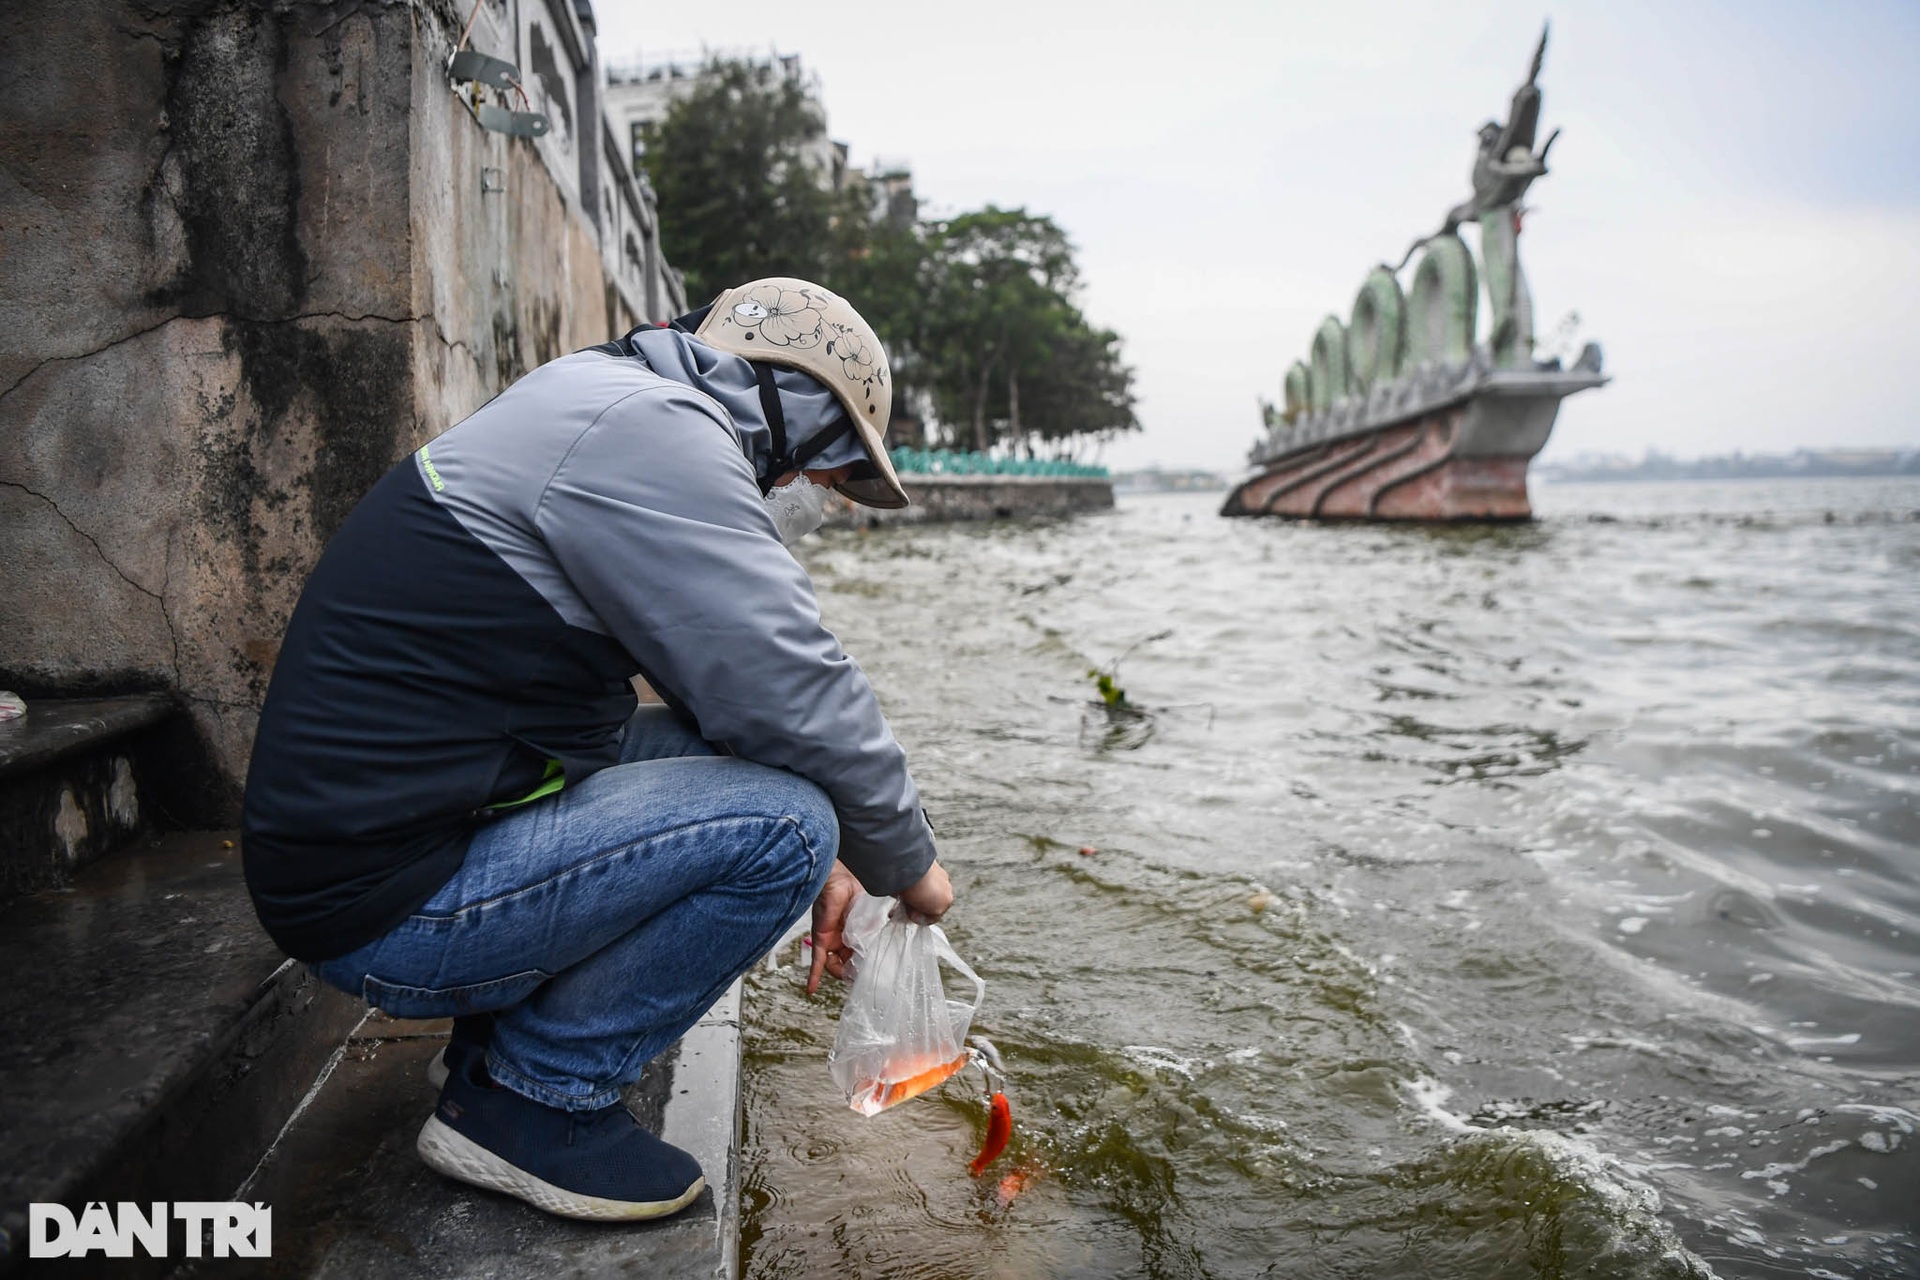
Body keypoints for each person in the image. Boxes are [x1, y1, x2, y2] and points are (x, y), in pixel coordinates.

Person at [240, 277, 952, 1222]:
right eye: (820, 474)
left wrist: (852, 851)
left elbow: (732, 699)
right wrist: (909, 867)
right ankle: (537, 1096)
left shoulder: (610, 398)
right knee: (789, 827)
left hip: (397, 839)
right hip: (382, 907)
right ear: (794, 414)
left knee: (758, 774)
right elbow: (789, 681)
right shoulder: (653, 433)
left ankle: (489, 1056)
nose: (808, 498)